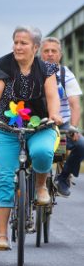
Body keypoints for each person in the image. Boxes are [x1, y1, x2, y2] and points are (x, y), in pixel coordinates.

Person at [0, 26, 62, 251]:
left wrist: (55, 114)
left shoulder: (45, 68)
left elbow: (52, 95)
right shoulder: (4, 64)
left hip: (41, 126)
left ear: (35, 47)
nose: (17, 47)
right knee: (6, 179)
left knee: (42, 153)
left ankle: (39, 187)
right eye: (15, 42)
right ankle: (1, 235)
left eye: (23, 43)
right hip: (7, 128)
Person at [40, 37, 84, 197]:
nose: (50, 54)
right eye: (46, 51)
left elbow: (75, 105)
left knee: (80, 145)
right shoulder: (33, 71)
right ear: (40, 53)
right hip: (36, 123)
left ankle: (63, 178)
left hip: (61, 124)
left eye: (54, 51)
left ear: (60, 55)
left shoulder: (66, 74)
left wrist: (74, 127)